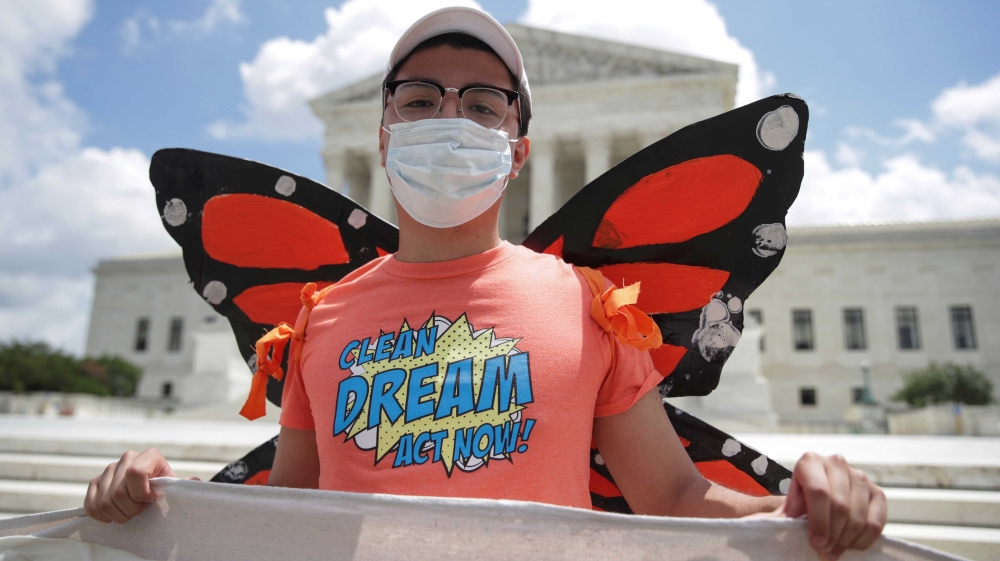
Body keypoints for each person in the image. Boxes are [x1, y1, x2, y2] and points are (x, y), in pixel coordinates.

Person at [85, 7, 885, 560]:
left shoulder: (592, 305)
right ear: (384, 131)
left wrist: (798, 506)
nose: (451, 119)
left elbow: (673, 494)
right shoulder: (317, 318)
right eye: (422, 100)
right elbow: (284, 515)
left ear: (519, 148)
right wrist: (159, 494)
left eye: (483, 105)